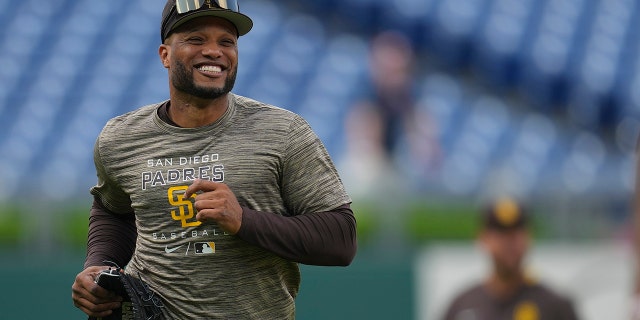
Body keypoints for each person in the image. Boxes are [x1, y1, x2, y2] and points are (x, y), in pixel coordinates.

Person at [70, 1, 357, 319]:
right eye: (196, 39)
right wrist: (100, 264)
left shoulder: (282, 132)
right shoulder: (121, 138)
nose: (214, 51)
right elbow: (113, 211)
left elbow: (340, 239)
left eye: (226, 42)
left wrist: (243, 220)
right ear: (165, 54)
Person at [441, 198, 579, 320]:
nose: (509, 243)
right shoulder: (463, 306)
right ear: (483, 239)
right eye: (501, 235)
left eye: (516, 234)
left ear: (529, 238)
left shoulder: (554, 307)